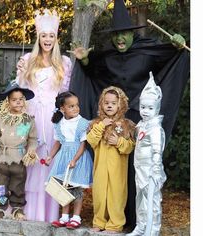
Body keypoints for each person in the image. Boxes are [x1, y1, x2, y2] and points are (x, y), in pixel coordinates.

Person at [69, 0, 190, 229]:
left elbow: (172, 55)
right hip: (115, 121)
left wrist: (178, 44)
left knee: (139, 168)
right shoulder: (106, 57)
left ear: (132, 34)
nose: (120, 39)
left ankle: (138, 222)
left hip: (140, 120)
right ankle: (112, 219)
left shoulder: (147, 51)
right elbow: (92, 72)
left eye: (124, 34)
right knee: (114, 169)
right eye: (116, 35)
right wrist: (84, 60)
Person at [15, 9, 72, 222]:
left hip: (53, 119)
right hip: (31, 117)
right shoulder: (28, 59)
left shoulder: (64, 63)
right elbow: (19, 90)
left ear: (56, 38)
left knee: (49, 160)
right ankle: (26, 209)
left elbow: (66, 94)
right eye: (43, 35)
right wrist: (21, 72)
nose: (47, 39)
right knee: (29, 158)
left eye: (51, 36)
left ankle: (49, 212)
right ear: (38, 38)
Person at [0, 81, 38, 222]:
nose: (18, 102)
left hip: (19, 159)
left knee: (17, 185)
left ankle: (17, 209)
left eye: (21, 99)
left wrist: (32, 151)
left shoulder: (29, 120)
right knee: (0, 187)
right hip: (2, 159)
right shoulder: (1, 117)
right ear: (8, 102)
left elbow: (33, 139)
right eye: (14, 100)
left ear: (24, 100)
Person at [86, 86, 135, 234]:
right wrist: (102, 126)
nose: (109, 105)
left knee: (117, 196)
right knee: (100, 195)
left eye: (113, 103)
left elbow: (130, 147)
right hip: (100, 167)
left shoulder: (127, 125)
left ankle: (115, 224)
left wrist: (118, 142)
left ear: (120, 105)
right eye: (106, 102)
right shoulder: (96, 124)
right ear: (101, 104)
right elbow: (91, 140)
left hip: (117, 170)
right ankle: (99, 222)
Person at [126, 72, 167, 236]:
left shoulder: (156, 128)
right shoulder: (141, 125)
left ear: (157, 108)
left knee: (153, 200)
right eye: (143, 107)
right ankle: (141, 226)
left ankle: (153, 229)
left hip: (151, 170)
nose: (145, 111)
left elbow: (157, 150)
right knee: (140, 198)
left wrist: (156, 169)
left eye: (150, 108)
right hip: (140, 168)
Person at [45, 91, 93, 229]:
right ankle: (64, 216)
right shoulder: (59, 123)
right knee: (62, 187)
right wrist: (50, 156)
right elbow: (58, 143)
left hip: (78, 158)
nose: (76, 108)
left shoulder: (83, 123)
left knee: (76, 187)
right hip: (63, 158)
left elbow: (83, 145)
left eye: (77, 105)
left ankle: (76, 217)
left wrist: (74, 160)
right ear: (62, 108)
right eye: (71, 106)